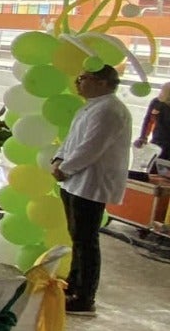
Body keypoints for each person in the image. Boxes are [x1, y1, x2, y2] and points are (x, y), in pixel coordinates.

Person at [51, 64, 132, 316]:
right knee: (77, 236)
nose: (78, 82)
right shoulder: (91, 106)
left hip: (91, 182)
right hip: (75, 180)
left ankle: (85, 297)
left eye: (83, 78)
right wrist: (58, 159)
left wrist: (66, 168)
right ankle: (73, 284)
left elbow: (91, 147)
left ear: (102, 82)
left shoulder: (110, 110)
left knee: (86, 240)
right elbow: (71, 140)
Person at [135, 81, 170, 161]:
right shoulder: (156, 103)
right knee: (153, 165)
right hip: (157, 142)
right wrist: (143, 137)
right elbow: (148, 120)